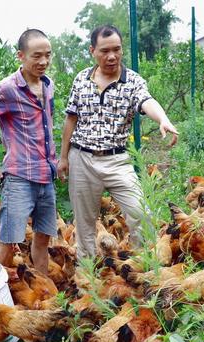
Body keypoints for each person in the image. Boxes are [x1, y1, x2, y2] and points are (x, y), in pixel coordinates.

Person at [58, 25, 179, 259]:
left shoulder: (132, 81)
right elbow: (70, 119)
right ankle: (88, 280)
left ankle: (141, 268)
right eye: (105, 51)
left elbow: (146, 101)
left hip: (117, 161)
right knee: (84, 226)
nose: (112, 56)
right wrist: (64, 157)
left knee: (141, 213)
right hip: (82, 159)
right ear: (93, 51)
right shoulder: (81, 80)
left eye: (117, 49)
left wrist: (163, 118)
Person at [0, 29, 57, 274]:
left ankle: (43, 292)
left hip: (46, 178)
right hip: (19, 179)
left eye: (48, 55)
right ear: (21, 56)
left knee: (43, 239)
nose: (44, 62)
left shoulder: (48, 86)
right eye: (37, 56)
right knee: (7, 242)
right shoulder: (7, 89)